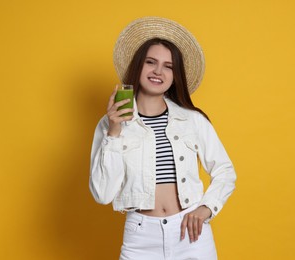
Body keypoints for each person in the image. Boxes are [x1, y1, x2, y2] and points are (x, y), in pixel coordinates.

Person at [89, 16, 237, 260]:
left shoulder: (192, 120)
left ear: (175, 75)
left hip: (191, 235)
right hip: (140, 238)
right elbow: (103, 194)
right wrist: (114, 132)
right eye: (151, 62)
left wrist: (205, 208)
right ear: (138, 67)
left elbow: (225, 171)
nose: (158, 71)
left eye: (168, 66)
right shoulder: (109, 124)